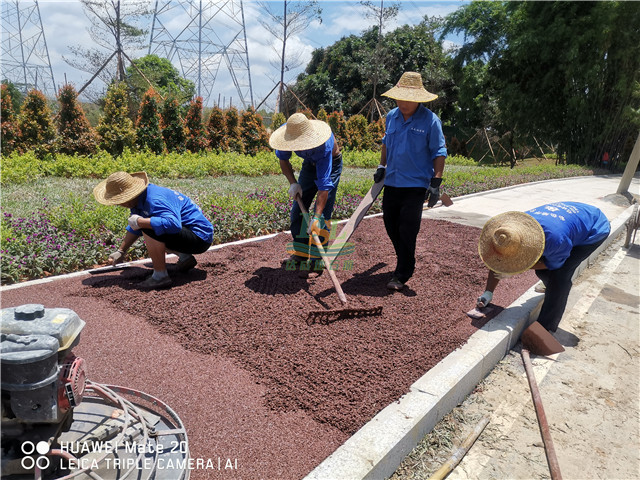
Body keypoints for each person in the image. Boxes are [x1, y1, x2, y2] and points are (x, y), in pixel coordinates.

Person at [476, 202, 610, 332]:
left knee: (559, 276)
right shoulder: (508, 231)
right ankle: (548, 287)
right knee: (544, 272)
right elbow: (497, 259)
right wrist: (488, 292)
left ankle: (545, 329)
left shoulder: (555, 241)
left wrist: (518, 269)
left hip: (594, 229)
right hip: (570, 219)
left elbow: (554, 263)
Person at [374, 71, 447, 290]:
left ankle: (403, 272)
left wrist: (436, 182)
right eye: (399, 97)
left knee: (408, 228)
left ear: (417, 99)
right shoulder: (392, 116)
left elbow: (439, 151)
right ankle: (406, 258)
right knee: (390, 225)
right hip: (392, 181)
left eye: (407, 98)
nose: (402, 102)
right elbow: (386, 142)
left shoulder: (431, 121)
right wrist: (381, 166)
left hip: (415, 185)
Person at [93, 171, 214, 289]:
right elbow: (135, 227)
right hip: (189, 234)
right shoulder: (139, 198)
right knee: (149, 224)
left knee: (150, 227)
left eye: (120, 200)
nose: (118, 204)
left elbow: (173, 224)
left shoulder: (154, 200)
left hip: (200, 238)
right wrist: (121, 251)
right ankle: (184, 257)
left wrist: (141, 222)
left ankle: (160, 276)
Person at [269, 112, 342, 275]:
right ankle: (301, 254)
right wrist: (293, 183)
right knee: (297, 211)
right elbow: (284, 160)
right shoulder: (287, 135)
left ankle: (317, 261)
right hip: (309, 164)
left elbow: (324, 186)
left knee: (322, 215)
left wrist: (315, 218)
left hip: (331, 163)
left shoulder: (323, 146)